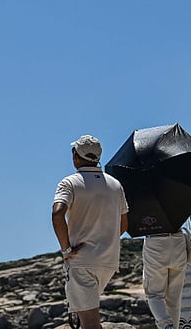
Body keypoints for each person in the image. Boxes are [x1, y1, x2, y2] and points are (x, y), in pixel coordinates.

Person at [52, 135, 129, 329]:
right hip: (108, 261)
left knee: (90, 322)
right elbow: (123, 225)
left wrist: (66, 250)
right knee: (89, 316)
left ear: (76, 156)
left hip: (82, 260)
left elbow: (57, 214)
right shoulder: (115, 185)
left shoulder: (69, 183)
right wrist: (104, 240)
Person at [142, 230, 187, 329]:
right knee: (174, 297)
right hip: (178, 241)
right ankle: (174, 326)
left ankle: (166, 325)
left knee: (154, 294)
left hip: (155, 241)